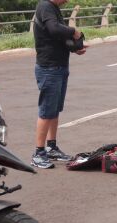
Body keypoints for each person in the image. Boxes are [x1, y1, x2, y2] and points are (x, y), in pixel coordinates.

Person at [32, 0, 88, 169]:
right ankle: (38, 153)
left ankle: (51, 147)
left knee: (54, 110)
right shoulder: (45, 6)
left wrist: (74, 48)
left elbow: (56, 37)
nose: (67, 1)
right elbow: (54, 29)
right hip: (49, 68)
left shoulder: (53, 8)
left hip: (59, 66)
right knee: (46, 111)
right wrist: (74, 31)